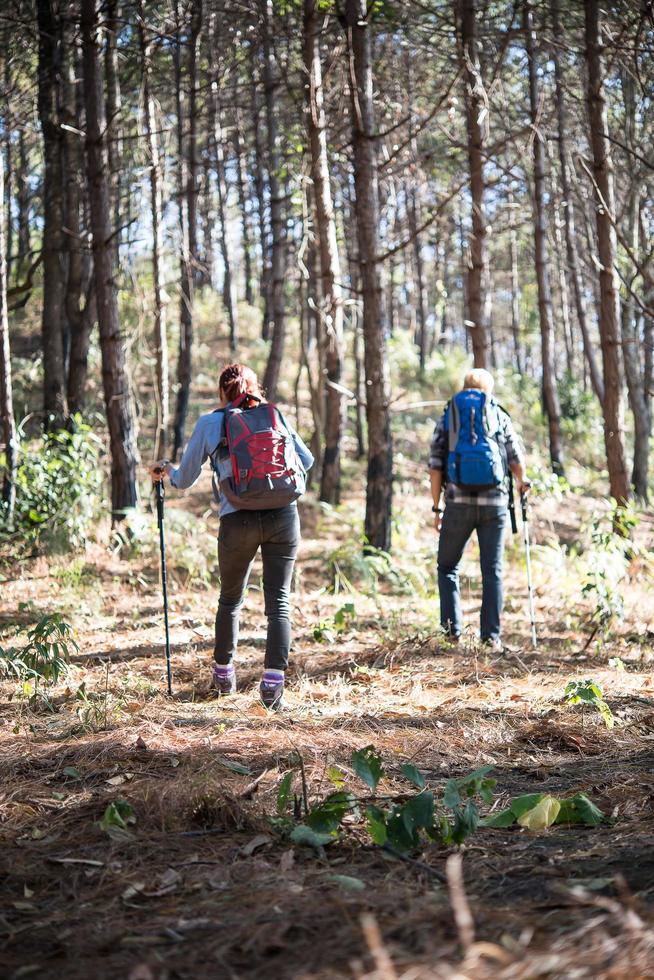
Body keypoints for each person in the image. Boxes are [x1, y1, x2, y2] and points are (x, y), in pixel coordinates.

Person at [149, 363, 314, 709]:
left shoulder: (213, 423)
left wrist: (167, 470)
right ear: (255, 389)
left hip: (237, 519)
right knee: (279, 602)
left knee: (230, 599)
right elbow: (307, 460)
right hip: (284, 516)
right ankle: (272, 687)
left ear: (223, 392)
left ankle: (223, 676)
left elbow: (184, 479)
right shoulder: (274, 416)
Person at [428, 368, 530, 651]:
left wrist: (437, 508)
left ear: (464, 387)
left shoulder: (450, 415)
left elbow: (435, 466)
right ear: (489, 389)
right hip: (494, 504)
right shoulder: (498, 413)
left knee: (447, 566)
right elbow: (515, 458)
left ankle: (451, 633)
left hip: (457, 503)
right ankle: (491, 638)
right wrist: (522, 483)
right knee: (492, 571)